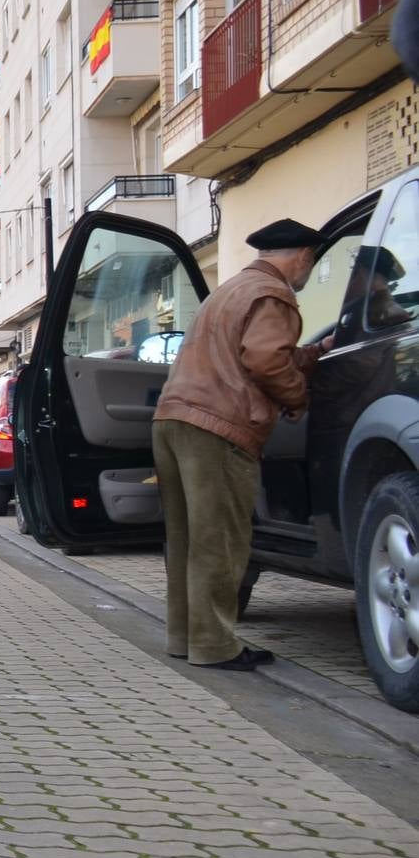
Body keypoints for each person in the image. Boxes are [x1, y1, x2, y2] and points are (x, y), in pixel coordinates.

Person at [152, 219, 328, 670]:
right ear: (303, 256)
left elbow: (251, 351)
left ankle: (184, 638)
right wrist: (297, 397)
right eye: (311, 262)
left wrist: (313, 353)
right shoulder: (274, 294)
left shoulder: (229, 290)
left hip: (174, 420)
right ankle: (215, 647)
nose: (308, 273)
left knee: (187, 538)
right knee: (220, 540)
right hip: (219, 428)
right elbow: (266, 359)